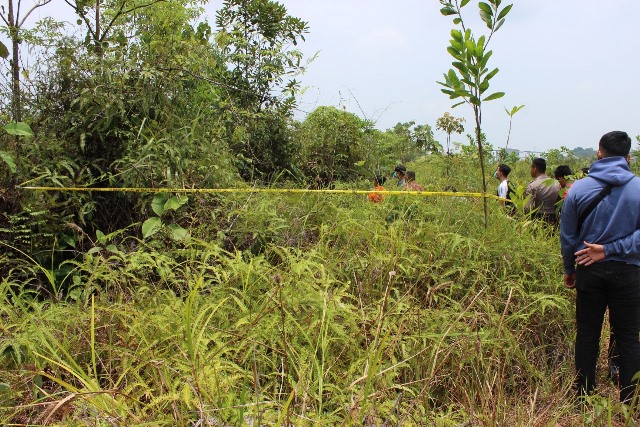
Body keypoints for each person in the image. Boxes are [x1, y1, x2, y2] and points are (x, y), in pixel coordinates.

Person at [560, 130, 640, 405]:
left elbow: (568, 236)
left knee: (587, 333)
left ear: (598, 153)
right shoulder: (638, 188)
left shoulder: (578, 189)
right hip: (629, 273)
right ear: (628, 157)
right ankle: (630, 402)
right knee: (629, 337)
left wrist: (569, 269)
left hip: (587, 269)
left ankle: (583, 397)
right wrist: (612, 250)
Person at [524, 157, 560, 223]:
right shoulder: (557, 183)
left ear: (535, 169)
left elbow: (527, 209)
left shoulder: (532, 185)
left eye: (531, 168)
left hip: (538, 219)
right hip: (555, 219)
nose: (531, 170)